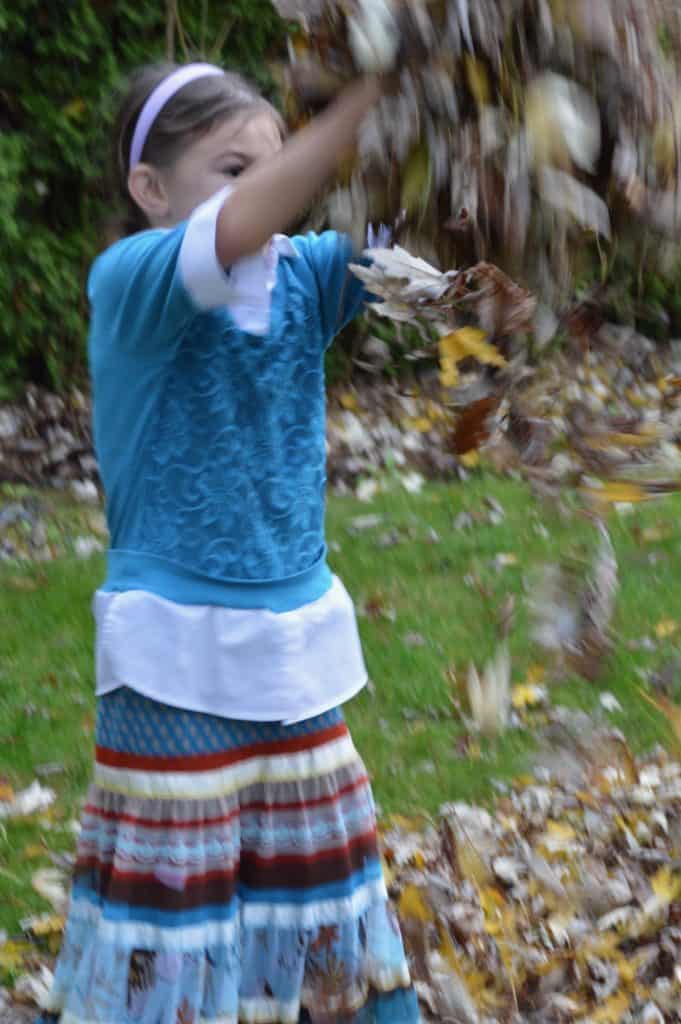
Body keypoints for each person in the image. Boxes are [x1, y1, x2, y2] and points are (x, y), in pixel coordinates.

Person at [35, 50, 421, 1024]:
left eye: (277, 163)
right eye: (236, 168)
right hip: (176, 670)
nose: (271, 195)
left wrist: (443, 113)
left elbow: (411, 232)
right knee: (167, 944)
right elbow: (238, 228)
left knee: (330, 909)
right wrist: (366, 101)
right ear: (150, 188)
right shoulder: (132, 278)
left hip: (298, 662)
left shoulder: (302, 275)